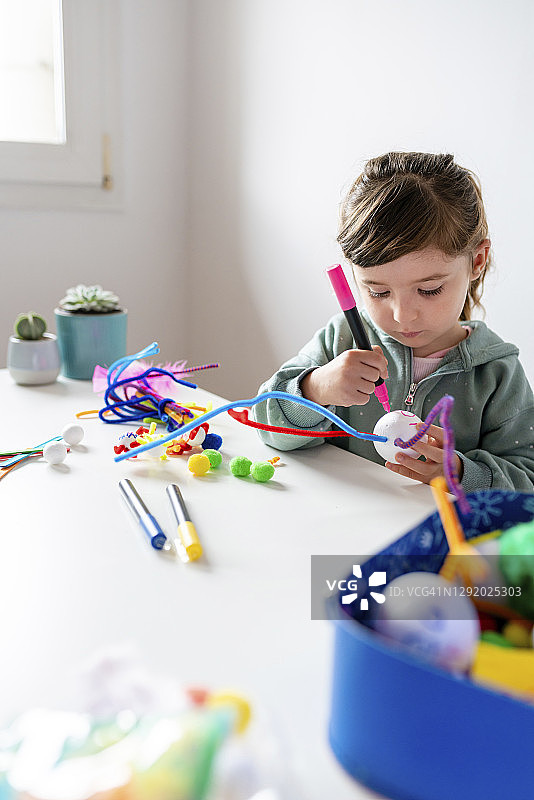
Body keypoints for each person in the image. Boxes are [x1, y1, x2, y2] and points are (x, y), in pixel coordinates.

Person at [254, 152, 534, 492]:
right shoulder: (339, 342)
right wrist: (315, 389)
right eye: (378, 291)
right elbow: (264, 425)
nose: (402, 315)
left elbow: (527, 479)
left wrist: (460, 472)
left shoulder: (496, 374)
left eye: (429, 290)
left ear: (476, 261)